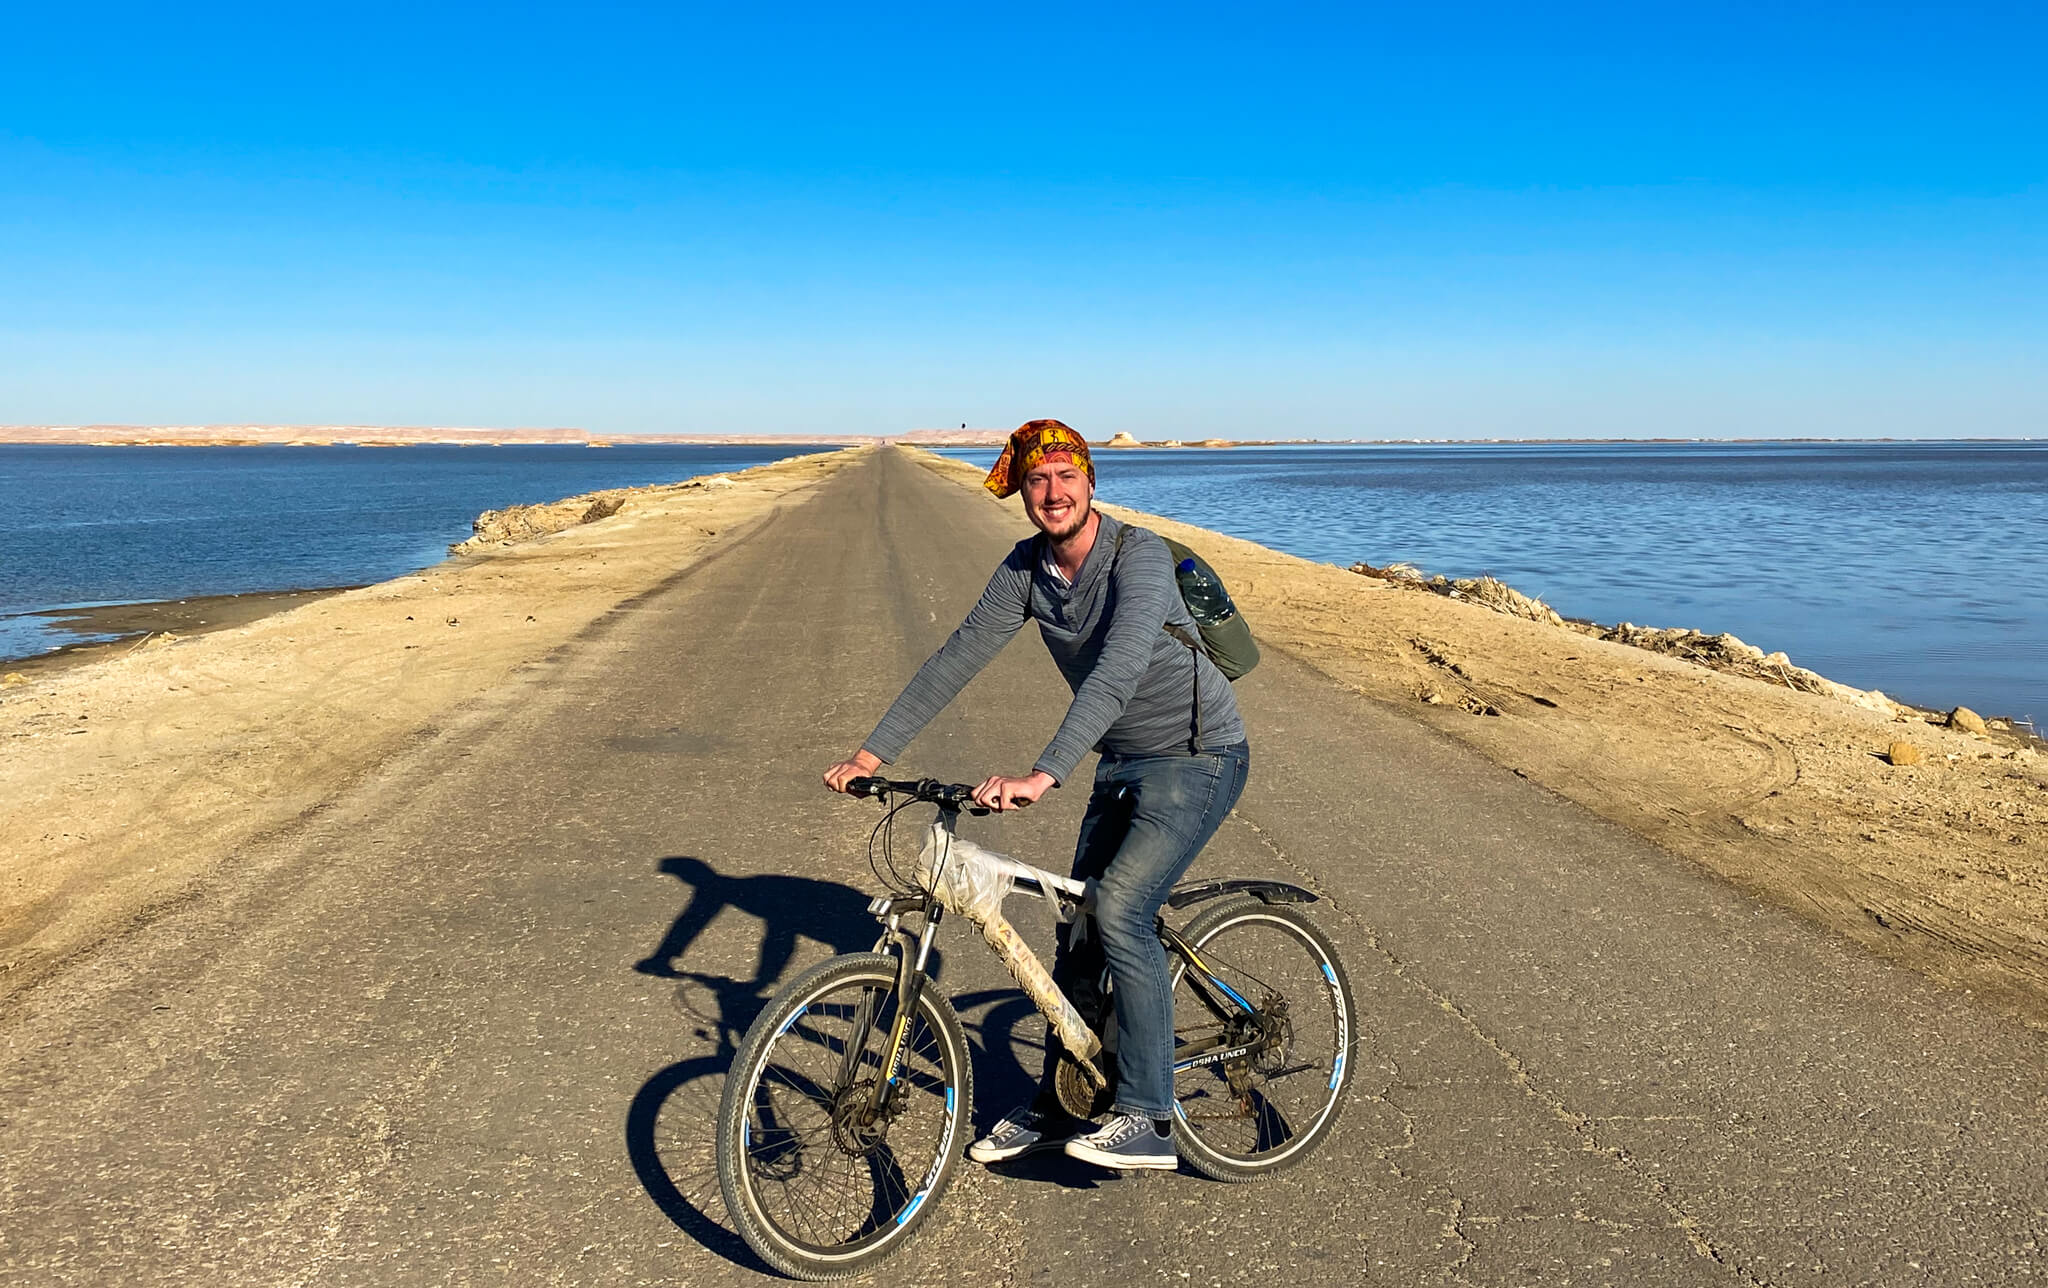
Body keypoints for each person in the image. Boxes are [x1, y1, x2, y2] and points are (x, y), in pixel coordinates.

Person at [824, 418, 1250, 1171]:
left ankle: (1150, 1115)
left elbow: (1117, 671)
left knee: (1122, 909)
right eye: (1035, 481)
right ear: (1022, 493)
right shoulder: (1025, 570)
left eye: (1065, 477)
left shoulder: (1138, 556)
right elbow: (955, 659)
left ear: (1091, 482)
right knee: (1078, 928)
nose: (1051, 493)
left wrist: (1044, 772)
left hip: (1197, 755)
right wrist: (871, 752)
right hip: (1122, 759)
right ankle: (1064, 1101)